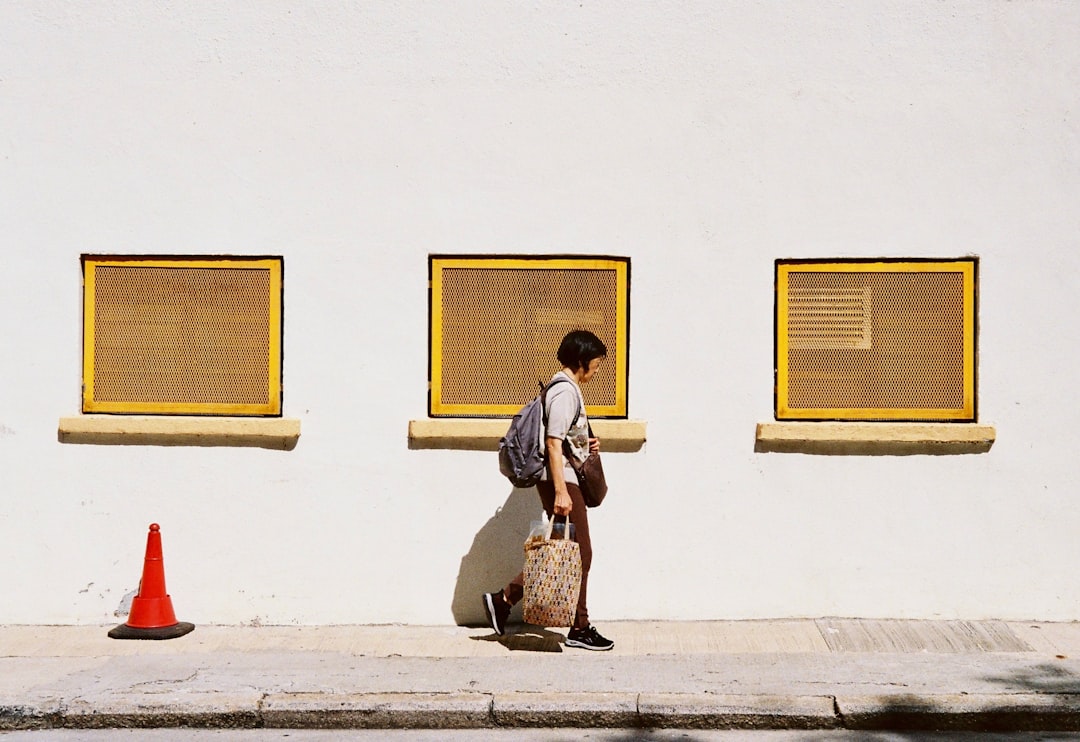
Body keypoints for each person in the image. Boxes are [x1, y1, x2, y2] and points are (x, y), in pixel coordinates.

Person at [482, 329, 614, 651]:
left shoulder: (563, 390)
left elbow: (563, 439)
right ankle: (579, 627)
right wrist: (561, 492)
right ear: (582, 360)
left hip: (562, 480)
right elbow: (553, 445)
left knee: (557, 549)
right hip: (563, 482)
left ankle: (503, 600)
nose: (597, 370)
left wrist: (585, 443)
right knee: (580, 553)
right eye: (596, 364)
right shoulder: (565, 392)